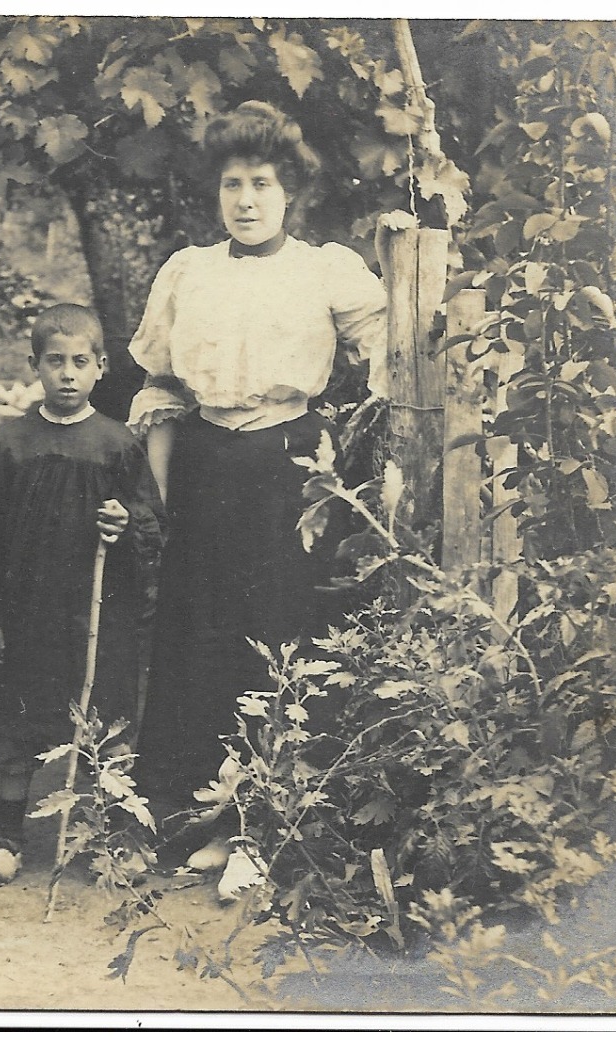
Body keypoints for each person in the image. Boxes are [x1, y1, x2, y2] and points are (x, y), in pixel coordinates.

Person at [126, 101, 387, 898]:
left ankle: (265, 827)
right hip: (206, 461)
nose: (245, 199)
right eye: (232, 184)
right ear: (215, 191)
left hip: (285, 463)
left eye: (261, 184)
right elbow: (159, 381)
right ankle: (204, 819)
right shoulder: (188, 270)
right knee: (198, 633)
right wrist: (168, 491)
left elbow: (387, 345)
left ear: (289, 191)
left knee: (273, 634)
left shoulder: (323, 268)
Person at [0, 304, 164, 889]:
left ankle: (103, 835)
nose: (68, 374)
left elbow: (151, 519)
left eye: (81, 362)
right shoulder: (10, 443)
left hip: (100, 611)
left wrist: (123, 522)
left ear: (101, 367)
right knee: (20, 723)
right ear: (35, 367)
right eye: (55, 362)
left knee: (101, 719)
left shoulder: (117, 444)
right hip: (28, 614)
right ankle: (7, 837)